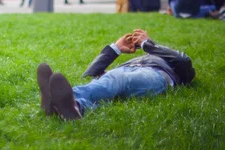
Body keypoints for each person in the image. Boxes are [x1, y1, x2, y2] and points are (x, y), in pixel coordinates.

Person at [36, 29, 195, 120]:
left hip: (156, 75)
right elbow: (90, 74)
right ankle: (71, 107)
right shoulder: (134, 61)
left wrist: (148, 44)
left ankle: (62, 101)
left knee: (116, 78)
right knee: (103, 85)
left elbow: (183, 61)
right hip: (122, 72)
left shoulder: (170, 61)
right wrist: (115, 48)